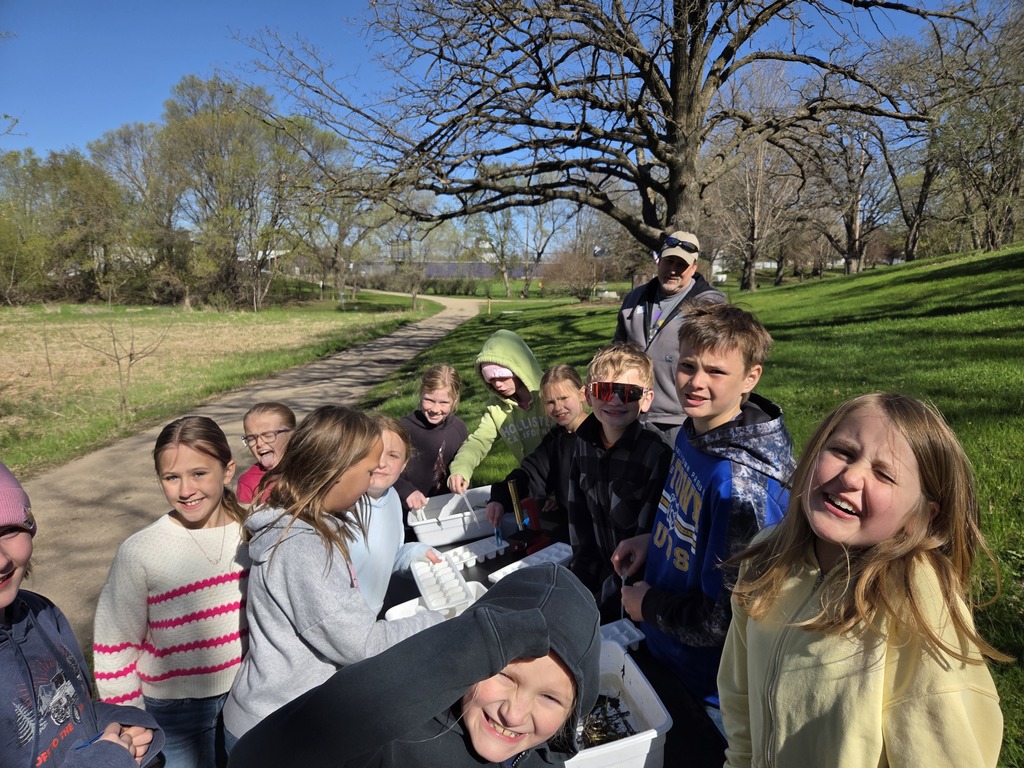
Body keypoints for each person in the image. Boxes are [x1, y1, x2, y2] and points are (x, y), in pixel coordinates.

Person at [718, 393, 1007, 767]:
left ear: (922, 516)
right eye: (842, 451)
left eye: (884, 474)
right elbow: (738, 695)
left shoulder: (915, 602)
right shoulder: (767, 557)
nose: (851, 477)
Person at [612, 304, 795, 765]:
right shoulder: (695, 433)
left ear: (751, 378)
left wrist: (646, 604)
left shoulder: (743, 488)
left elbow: (727, 621)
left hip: (707, 692)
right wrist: (651, 539)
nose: (696, 382)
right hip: (664, 647)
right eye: (689, 364)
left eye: (716, 371)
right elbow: (684, 516)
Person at [227, 563, 601, 768]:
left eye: (551, 698)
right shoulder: (392, 741)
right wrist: (466, 647)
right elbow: (257, 759)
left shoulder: (538, 758)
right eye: (503, 674)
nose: (514, 713)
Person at [222, 405, 443, 747]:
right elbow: (361, 643)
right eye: (368, 471)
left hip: (292, 715)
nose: (373, 480)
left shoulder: (307, 526)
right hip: (276, 727)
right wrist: (434, 621)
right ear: (338, 471)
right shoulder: (301, 547)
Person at [93, 416, 248, 768]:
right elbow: (115, 646)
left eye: (199, 473)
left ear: (227, 471)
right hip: (174, 717)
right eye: (171, 477)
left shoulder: (254, 533)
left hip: (248, 695)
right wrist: (133, 719)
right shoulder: (142, 551)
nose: (185, 490)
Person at [1, 460, 164, 768]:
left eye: (9, 530)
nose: (0, 562)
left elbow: (67, 712)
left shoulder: (41, 613)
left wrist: (119, 726)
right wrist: (106, 760)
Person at [568, 341, 671, 621]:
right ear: (588, 395)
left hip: (632, 593)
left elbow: (644, 549)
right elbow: (578, 523)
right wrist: (580, 587)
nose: (615, 401)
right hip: (594, 578)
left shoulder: (657, 455)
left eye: (629, 393)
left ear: (646, 399)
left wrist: (605, 603)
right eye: (604, 390)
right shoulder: (582, 443)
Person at [613, 230, 725, 445]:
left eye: (681, 265)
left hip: (679, 419)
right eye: (669, 261)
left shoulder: (709, 306)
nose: (673, 270)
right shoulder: (634, 298)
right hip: (631, 410)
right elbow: (617, 349)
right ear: (659, 261)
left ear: (693, 268)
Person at [352, 415, 440, 615]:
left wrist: (415, 552)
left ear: (404, 464)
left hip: (375, 613)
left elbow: (388, 558)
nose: (382, 463)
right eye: (374, 453)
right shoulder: (343, 507)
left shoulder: (391, 497)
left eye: (392, 455)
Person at [487, 364, 588, 533]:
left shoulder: (601, 434)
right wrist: (500, 498)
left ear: (582, 394)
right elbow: (530, 474)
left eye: (564, 398)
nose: (558, 407)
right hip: (571, 531)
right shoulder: (555, 439)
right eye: (550, 402)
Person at [448, 330, 548, 494]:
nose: (498, 385)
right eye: (491, 379)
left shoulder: (551, 392)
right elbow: (479, 441)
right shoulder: (496, 408)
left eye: (502, 376)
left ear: (519, 369)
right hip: (534, 484)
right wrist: (460, 468)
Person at [395, 364, 468, 511]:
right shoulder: (403, 428)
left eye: (443, 403)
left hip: (447, 510)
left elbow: (464, 464)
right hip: (408, 512)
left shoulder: (459, 429)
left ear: (455, 400)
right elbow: (384, 471)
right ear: (421, 394)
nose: (435, 409)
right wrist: (406, 491)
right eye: (429, 400)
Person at [235, 402, 296, 505]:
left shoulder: (310, 468)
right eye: (251, 438)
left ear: (293, 435)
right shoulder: (248, 483)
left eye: (268, 435)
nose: (259, 443)